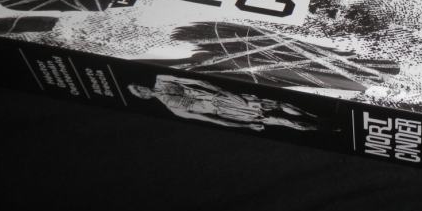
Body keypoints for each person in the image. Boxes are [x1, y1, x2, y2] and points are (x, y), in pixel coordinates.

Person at [128, 75, 318, 131]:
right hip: (225, 110)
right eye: (139, 94)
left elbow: (197, 81)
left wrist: (223, 91)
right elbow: (214, 121)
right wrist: (246, 126)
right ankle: (316, 126)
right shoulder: (173, 109)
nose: (142, 91)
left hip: (223, 97)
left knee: (276, 104)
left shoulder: (161, 79)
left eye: (138, 87)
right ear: (143, 98)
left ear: (141, 85)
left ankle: (313, 116)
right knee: (279, 120)